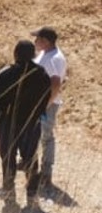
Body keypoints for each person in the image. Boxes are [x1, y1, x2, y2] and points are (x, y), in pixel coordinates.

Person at [0, 40, 51, 204]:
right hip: (31, 123)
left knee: (7, 156)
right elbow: (45, 99)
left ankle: (8, 189)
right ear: (33, 55)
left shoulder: (6, 73)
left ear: (16, 53)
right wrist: (37, 115)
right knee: (30, 157)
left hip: (9, 121)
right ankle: (32, 194)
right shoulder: (42, 74)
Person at [32, 26, 66, 190]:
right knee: (37, 135)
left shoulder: (54, 59)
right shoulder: (46, 53)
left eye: (37, 39)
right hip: (41, 103)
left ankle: (46, 175)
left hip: (47, 106)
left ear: (45, 41)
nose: (35, 41)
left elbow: (56, 84)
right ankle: (35, 169)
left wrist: (46, 104)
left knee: (46, 138)